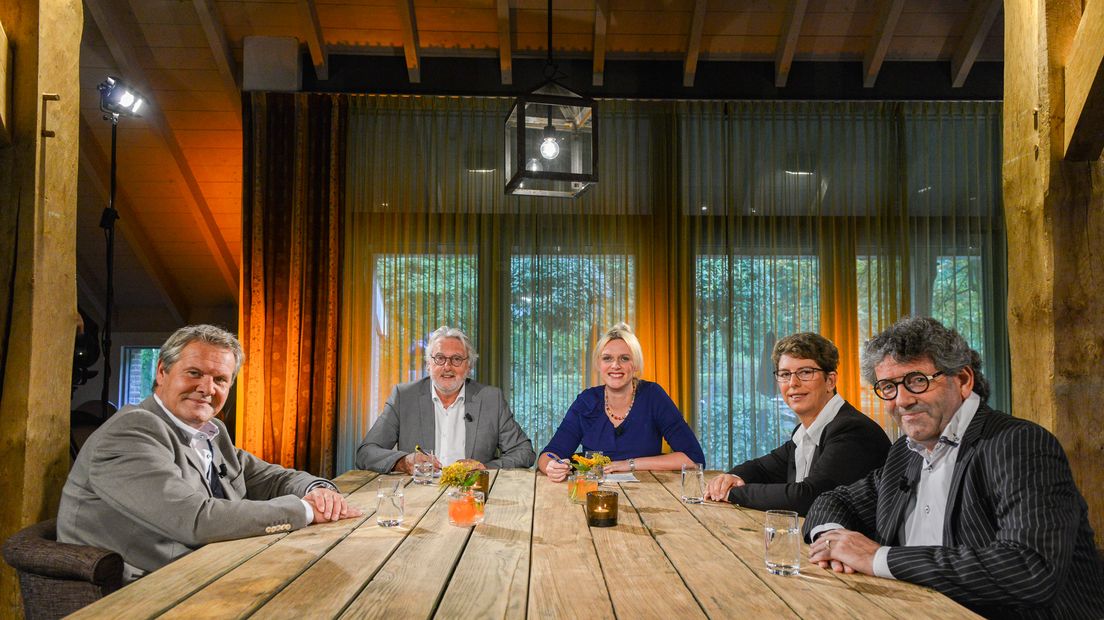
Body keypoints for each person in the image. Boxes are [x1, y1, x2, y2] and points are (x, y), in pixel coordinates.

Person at [803, 317, 1104, 618]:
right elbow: (834, 500)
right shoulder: (904, 453)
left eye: (917, 380)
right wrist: (833, 540)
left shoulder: (1018, 443)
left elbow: (1030, 568)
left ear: (962, 380)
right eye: (888, 387)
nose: (902, 400)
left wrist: (879, 558)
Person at [58, 325, 361, 582]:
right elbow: (194, 519)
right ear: (162, 371)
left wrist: (318, 490)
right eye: (194, 373)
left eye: (220, 380)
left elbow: (269, 478)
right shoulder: (131, 431)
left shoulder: (211, 430)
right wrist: (305, 510)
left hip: (212, 569)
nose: (207, 388)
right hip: (148, 589)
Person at [704, 332, 889, 515]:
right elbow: (761, 468)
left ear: (830, 381)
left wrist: (733, 493)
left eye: (806, 372)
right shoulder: (805, 432)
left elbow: (809, 498)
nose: (793, 383)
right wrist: (731, 478)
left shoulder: (852, 430)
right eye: (785, 374)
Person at [355, 326, 535, 473]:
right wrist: (403, 461)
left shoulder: (490, 399)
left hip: (471, 495)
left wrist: (484, 468)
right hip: (417, 496)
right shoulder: (404, 397)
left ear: (469, 366)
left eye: (456, 359)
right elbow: (366, 453)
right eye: (440, 358)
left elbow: (524, 452)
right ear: (428, 364)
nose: (447, 367)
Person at [538, 323, 705, 480]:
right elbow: (549, 454)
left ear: (636, 364)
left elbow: (693, 459)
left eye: (624, 358)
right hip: (595, 494)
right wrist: (551, 467)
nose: (615, 365)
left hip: (649, 494)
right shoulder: (586, 401)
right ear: (599, 364)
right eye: (607, 358)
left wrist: (629, 464)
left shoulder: (653, 396)